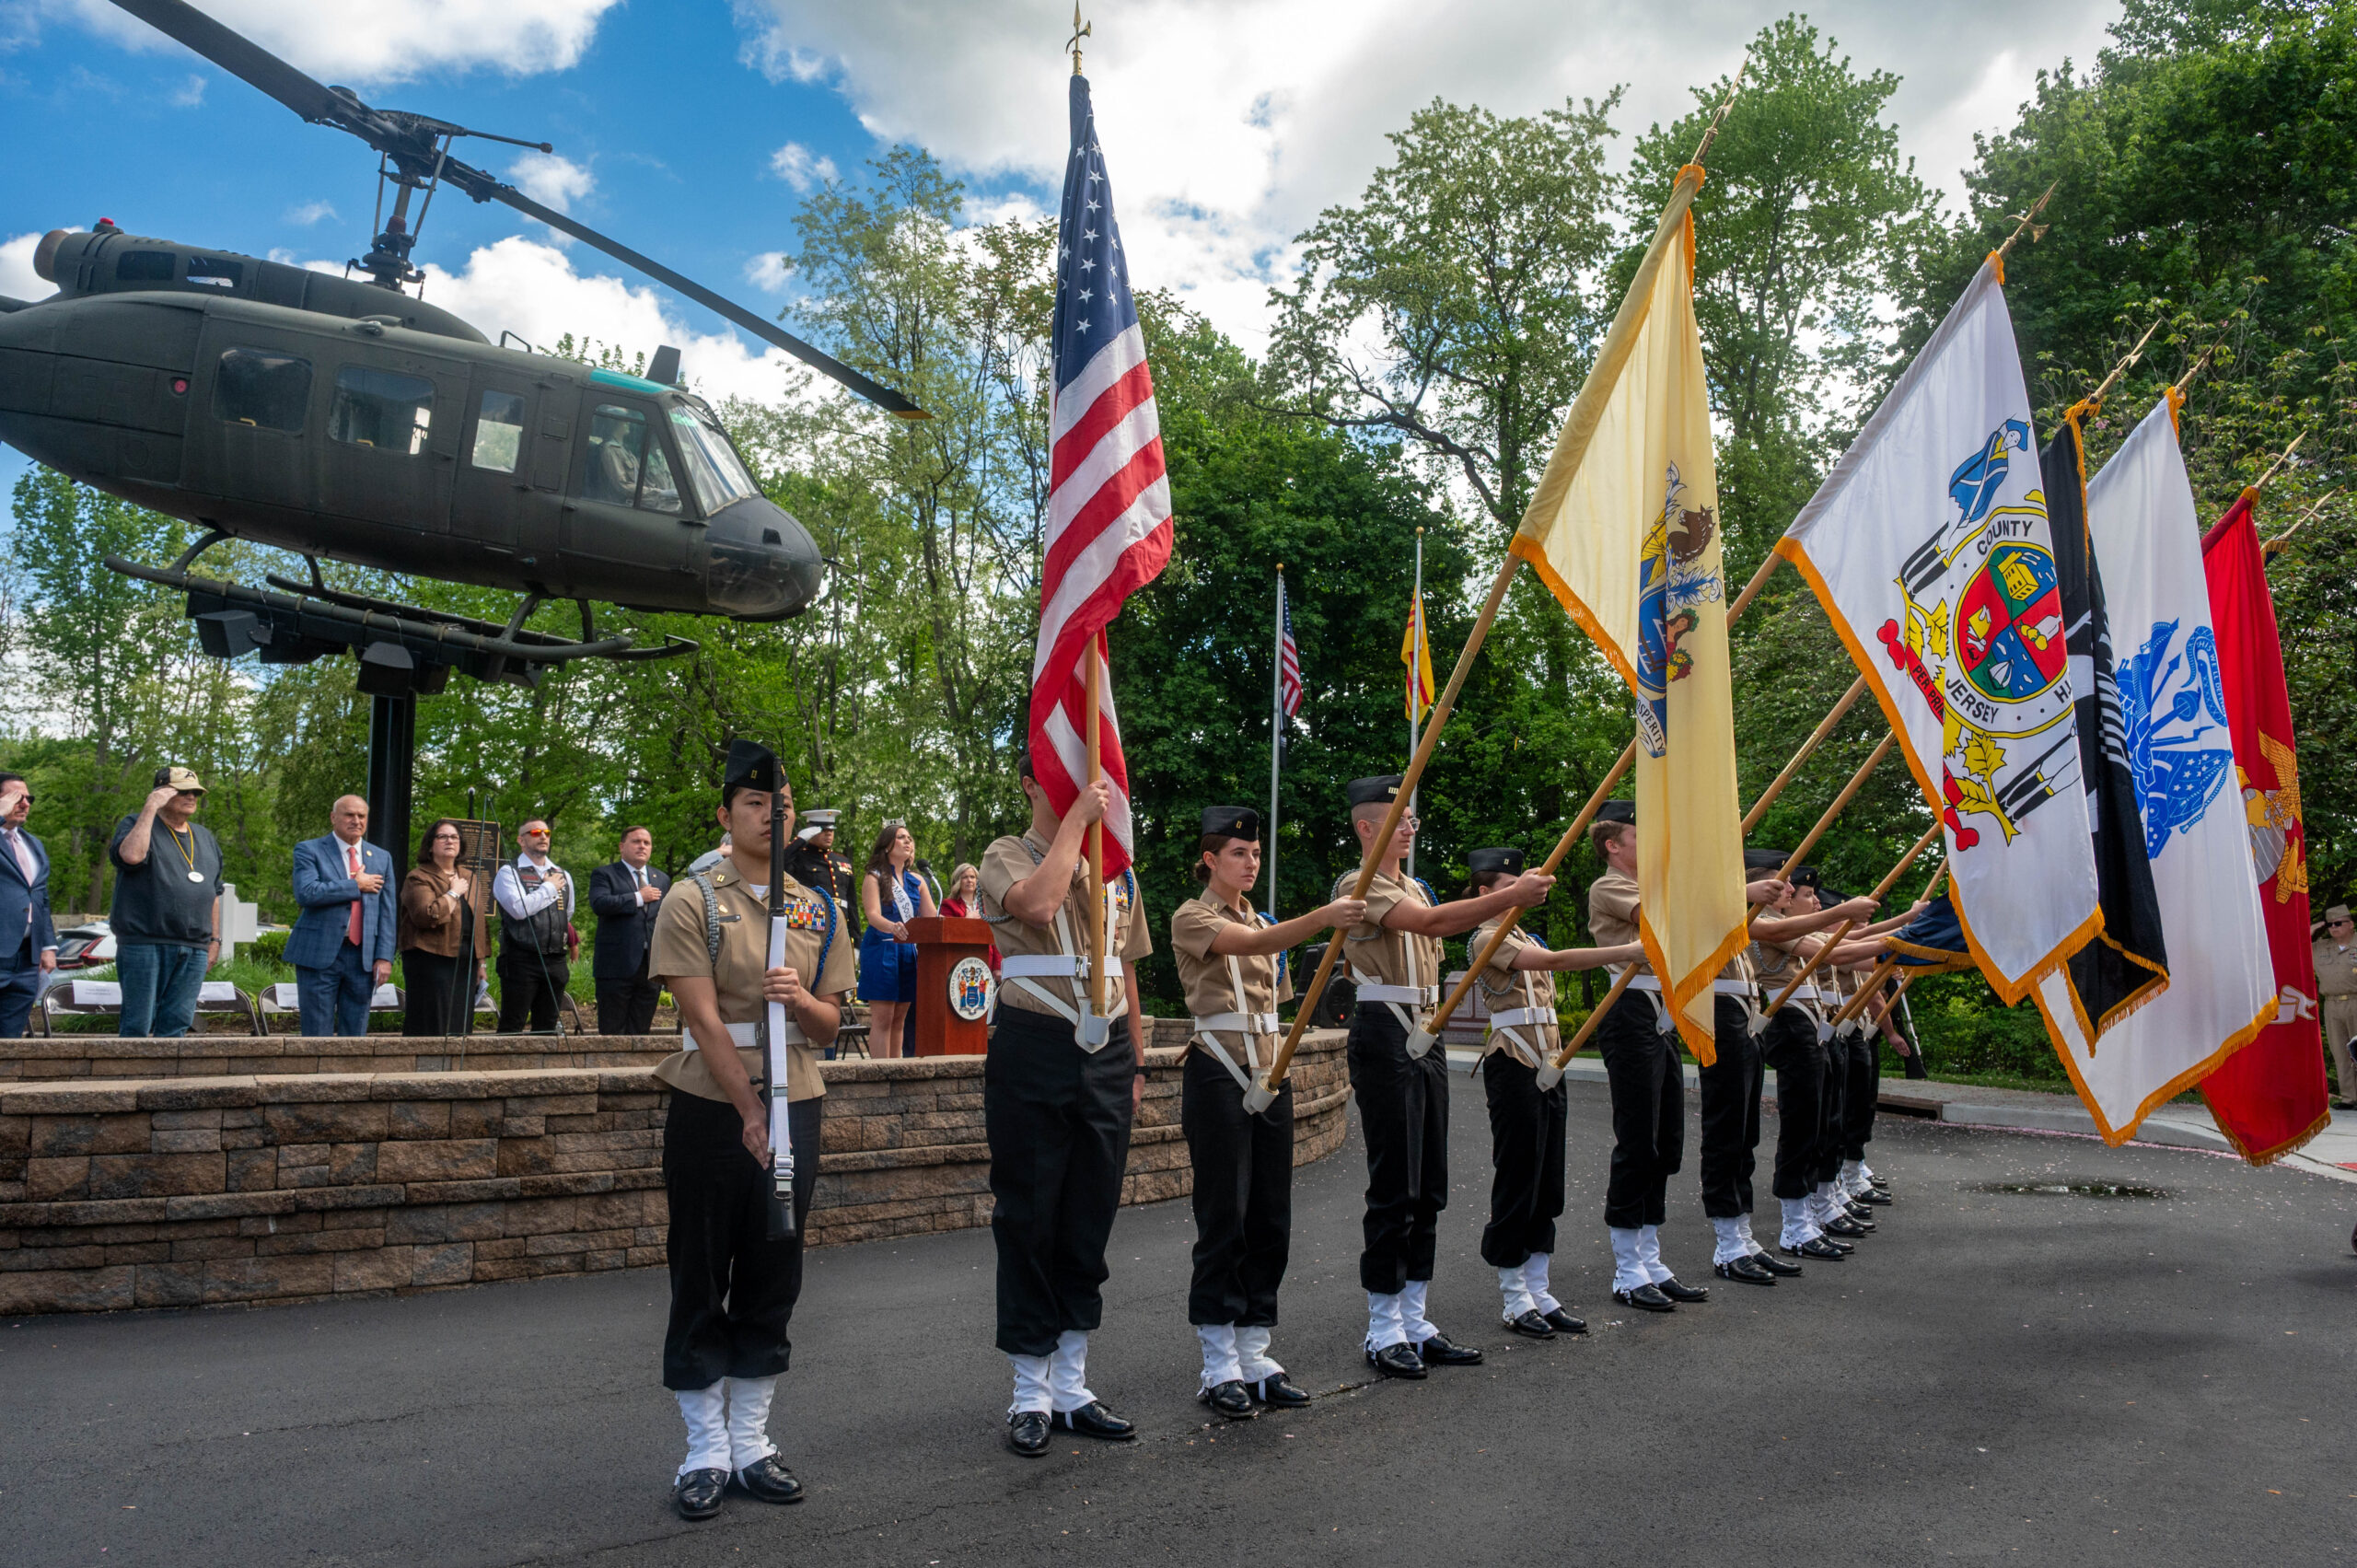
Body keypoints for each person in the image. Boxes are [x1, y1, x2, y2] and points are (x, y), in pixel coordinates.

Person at [647, 740, 853, 1521]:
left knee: (774, 1266)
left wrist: (800, 999)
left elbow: (831, 1025)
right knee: (701, 1266)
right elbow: (701, 1019)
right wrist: (749, 1110)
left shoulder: (816, 906)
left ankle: (751, 1442)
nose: (773, 814)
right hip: (713, 1102)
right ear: (726, 814)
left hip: (797, 1099)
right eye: (757, 802)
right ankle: (704, 1449)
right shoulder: (694, 899)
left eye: (784, 804)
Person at [1335, 774, 1554, 1379]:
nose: (1411, 827)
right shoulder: (1357, 884)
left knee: (1428, 1182)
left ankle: (1415, 1318)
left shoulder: (1418, 887)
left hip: (1424, 1030)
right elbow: (1429, 926)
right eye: (1399, 818)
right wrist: (1512, 896)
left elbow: (1434, 922)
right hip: (1385, 1028)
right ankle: (1383, 1326)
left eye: (1412, 818)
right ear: (1367, 828)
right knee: (1394, 1182)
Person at [977, 754, 1152, 1457]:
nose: (1082, 787)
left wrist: (1136, 1059)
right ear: (1031, 783)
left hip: (1106, 1050)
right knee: (1028, 1213)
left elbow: (1126, 964)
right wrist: (1078, 821)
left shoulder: (1118, 869)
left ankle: (1072, 1384)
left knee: (1089, 1211)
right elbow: (1039, 904)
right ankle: (1030, 1390)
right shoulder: (1004, 854)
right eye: (1062, 776)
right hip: (1034, 1042)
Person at [1169, 807, 1364, 1418]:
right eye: (1238, 853)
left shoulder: (1266, 920)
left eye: (1255, 854)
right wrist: (1324, 917)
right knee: (1223, 1215)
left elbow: (1274, 997)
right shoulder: (1193, 915)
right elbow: (1251, 945)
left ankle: (1254, 1354)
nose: (1251, 862)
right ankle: (1218, 1363)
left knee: (1270, 1216)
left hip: (1269, 1073)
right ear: (1210, 859)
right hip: (1218, 1071)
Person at [1463, 845, 1642, 1337]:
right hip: (1514, 1063)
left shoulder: (1521, 933)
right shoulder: (1486, 936)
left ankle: (1539, 1288)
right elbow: (1555, 960)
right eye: (1508, 886)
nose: (1521, 892)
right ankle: (1514, 1295)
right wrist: (1625, 952)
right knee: (1519, 1174)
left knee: (1548, 1179)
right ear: (1485, 892)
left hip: (1547, 1064)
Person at [107, 767, 224, 1038]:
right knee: (138, 1024)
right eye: (183, 791)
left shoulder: (204, 837)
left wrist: (215, 940)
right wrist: (150, 808)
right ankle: (131, 1068)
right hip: (145, 942)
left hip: (194, 947)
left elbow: (213, 893)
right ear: (160, 793)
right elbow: (132, 856)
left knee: (178, 1024)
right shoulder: (135, 824)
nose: (191, 796)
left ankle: (169, 1069)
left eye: (195, 792)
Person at [287, 796, 398, 1037]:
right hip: (319, 954)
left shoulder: (382, 857)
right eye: (349, 815)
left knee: (355, 1034)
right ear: (333, 817)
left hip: (363, 958)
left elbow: (388, 912)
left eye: (361, 816)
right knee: (316, 1034)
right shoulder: (309, 850)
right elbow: (307, 893)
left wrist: (384, 957)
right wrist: (355, 885)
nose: (356, 820)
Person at [398, 819, 490, 1037]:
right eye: (443, 837)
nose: (450, 841)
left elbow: (479, 922)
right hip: (430, 960)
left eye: (454, 837)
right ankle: (426, 1059)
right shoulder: (418, 877)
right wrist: (453, 893)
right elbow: (425, 915)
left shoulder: (469, 877)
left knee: (460, 1024)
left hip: (465, 960)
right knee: (433, 1023)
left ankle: (455, 1061)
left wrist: (481, 962)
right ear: (430, 845)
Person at [858, 821, 935, 1060]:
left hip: (907, 952)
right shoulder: (874, 877)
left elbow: (931, 918)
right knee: (883, 1018)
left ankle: (896, 1069)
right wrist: (893, 927)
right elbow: (872, 915)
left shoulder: (918, 881)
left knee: (900, 1018)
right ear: (886, 846)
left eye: (909, 838)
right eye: (901, 837)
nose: (907, 841)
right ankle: (880, 1072)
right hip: (882, 949)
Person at [493, 820, 575, 1034]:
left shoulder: (563, 874)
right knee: (513, 1023)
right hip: (521, 959)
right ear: (521, 840)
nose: (543, 836)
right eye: (536, 832)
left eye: (547, 832)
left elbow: (566, 913)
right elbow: (519, 909)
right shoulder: (509, 872)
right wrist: (549, 888)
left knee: (548, 1026)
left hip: (555, 960)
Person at [591, 827, 671, 1035]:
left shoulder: (661, 878)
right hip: (615, 966)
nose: (642, 846)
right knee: (612, 1032)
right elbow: (600, 904)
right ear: (622, 846)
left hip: (651, 966)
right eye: (636, 841)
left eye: (647, 843)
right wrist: (638, 897)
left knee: (641, 1031)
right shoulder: (605, 874)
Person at [0, 773, 58, 1039]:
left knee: (10, 1041)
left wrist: (47, 946)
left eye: (28, 798)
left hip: (26, 960)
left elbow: (40, 897)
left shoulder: (33, 844)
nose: (25, 804)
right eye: (16, 798)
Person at [2315, 904, 2357, 1109]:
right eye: (2330, 924)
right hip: (2332, 1005)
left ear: (2351, 924)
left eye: (2338, 923)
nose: (2333, 927)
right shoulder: (2321, 948)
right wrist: (2315, 927)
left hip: (2355, 1001)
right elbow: (2294, 945)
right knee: (2340, 1053)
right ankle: (2349, 1098)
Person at [784, 810, 855, 912]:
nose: (829, 834)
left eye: (831, 830)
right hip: (813, 915)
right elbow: (779, 865)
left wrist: (853, 923)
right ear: (811, 832)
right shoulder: (799, 857)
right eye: (823, 830)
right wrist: (799, 841)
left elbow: (851, 901)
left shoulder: (842, 860)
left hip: (842, 916)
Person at [940, 862, 999, 976]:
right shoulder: (948, 905)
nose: (969, 880)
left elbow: (996, 937)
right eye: (965, 877)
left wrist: (997, 967)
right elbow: (949, 934)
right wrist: (967, 920)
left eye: (972, 877)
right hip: (960, 960)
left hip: (986, 959)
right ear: (958, 881)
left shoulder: (987, 905)